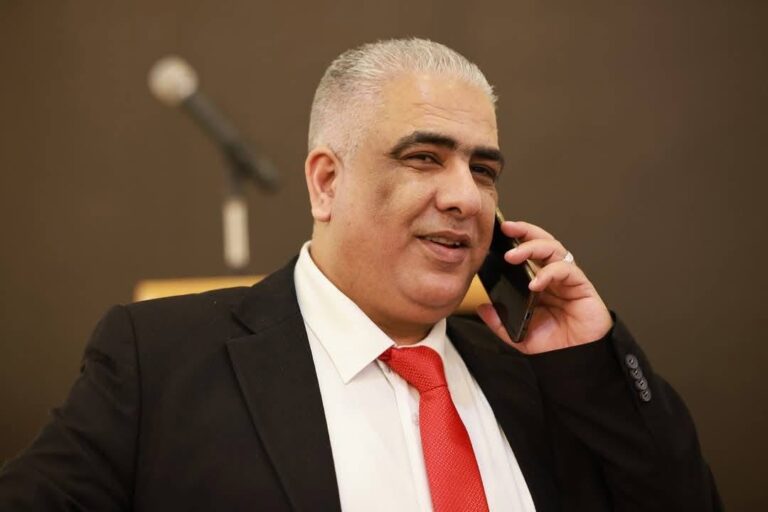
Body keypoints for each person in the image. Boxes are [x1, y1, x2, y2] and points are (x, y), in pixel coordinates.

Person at [0, 38, 720, 511]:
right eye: (424, 158)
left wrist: (591, 363)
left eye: (484, 170)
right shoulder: (159, 361)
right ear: (326, 182)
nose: (467, 197)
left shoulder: (541, 379)